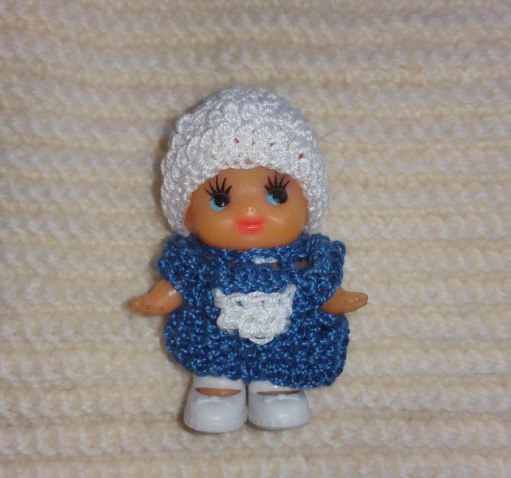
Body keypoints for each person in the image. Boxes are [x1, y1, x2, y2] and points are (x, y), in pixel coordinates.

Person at [130, 87, 367, 433]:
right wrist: (160, 298)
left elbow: (321, 288)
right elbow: (180, 283)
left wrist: (338, 299)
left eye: (276, 195)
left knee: (285, 360)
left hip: (285, 347)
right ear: (189, 217)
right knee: (212, 357)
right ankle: (216, 387)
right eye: (221, 200)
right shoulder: (196, 263)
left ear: (307, 206)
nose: (250, 211)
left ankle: (276, 387)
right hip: (216, 341)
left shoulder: (308, 262)